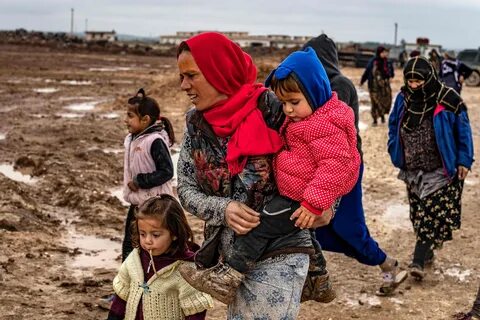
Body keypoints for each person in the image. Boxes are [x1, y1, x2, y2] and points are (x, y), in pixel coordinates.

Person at [175, 32, 316, 319]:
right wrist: (223, 209)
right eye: (181, 76)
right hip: (228, 261)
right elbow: (186, 189)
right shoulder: (196, 124)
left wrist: (326, 206)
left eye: (191, 76)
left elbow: (326, 159)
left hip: (280, 251)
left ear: (219, 72)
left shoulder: (277, 111)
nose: (183, 85)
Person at [303, 34, 407, 296]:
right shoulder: (307, 86)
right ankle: (313, 277)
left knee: (348, 226)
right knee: (317, 228)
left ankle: (387, 264)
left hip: (343, 167)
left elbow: (332, 133)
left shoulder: (340, 85)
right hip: (317, 168)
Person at [388, 56, 474, 281]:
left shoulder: (449, 99)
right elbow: (393, 124)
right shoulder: (403, 98)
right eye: (410, 81)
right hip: (413, 170)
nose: (414, 86)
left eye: (419, 81)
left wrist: (465, 160)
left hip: (440, 169)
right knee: (418, 214)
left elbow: (463, 130)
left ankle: (417, 260)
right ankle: (427, 251)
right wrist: (393, 148)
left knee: (431, 213)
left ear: (429, 78)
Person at [107, 195, 214, 320]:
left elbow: (196, 313)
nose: (147, 241)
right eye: (142, 234)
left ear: (174, 233)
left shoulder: (187, 271)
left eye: (155, 235)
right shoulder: (134, 260)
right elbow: (120, 300)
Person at [121, 89, 175, 262]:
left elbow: (167, 172)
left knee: (152, 247)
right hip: (137, 203)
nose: (126, 120)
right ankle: (126, 286)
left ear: (145, 119)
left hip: (155, 205)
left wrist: (140, 181)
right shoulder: (132, 138)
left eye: (130, 116)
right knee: (130, 245)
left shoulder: (155, 141)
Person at [360, 46, 393, 126]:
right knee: (375, 103)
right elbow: (367, 72)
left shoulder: (387, 62)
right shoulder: (373, 62)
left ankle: (382, 116)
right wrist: (362, 81)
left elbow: (391, 73)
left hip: (384, 87)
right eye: (383, 52)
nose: (385, 54)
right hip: (373, 87)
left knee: (384, 102)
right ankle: (375, 120)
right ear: (379, 53)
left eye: (385, 52)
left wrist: (389, 75)